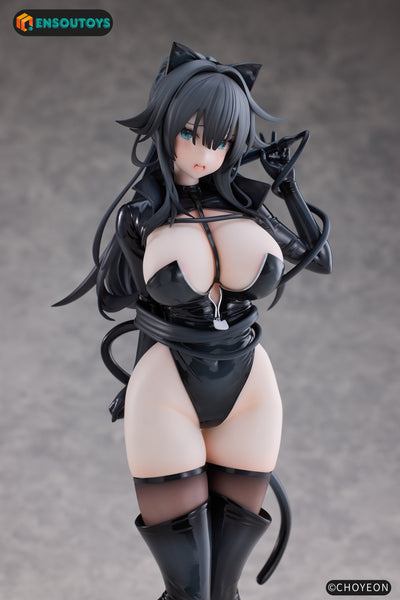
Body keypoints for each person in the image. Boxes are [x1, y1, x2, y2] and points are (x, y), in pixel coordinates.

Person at [55, 42, 331, 600]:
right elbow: (127, 301)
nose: (205, 153)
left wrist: (288, 188)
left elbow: (317, 256)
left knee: (224, 589)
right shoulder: (141, 217)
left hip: (250, 386)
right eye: (190, 133)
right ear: (165, 124)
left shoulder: (249, 208)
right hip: (167, 386)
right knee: (190, 590)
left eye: (220, 140)